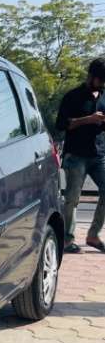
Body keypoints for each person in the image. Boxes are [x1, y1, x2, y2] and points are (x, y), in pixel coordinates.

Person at [56, 57, 105, 254]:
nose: (102, 84)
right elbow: (61, 125)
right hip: (76, 155)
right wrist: (88, 119)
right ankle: (67, 240)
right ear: (91, 76)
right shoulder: (73, 96)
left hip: (99, 155)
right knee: (72, 198)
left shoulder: (104, 97)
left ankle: (93, 235)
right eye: (100, 79)